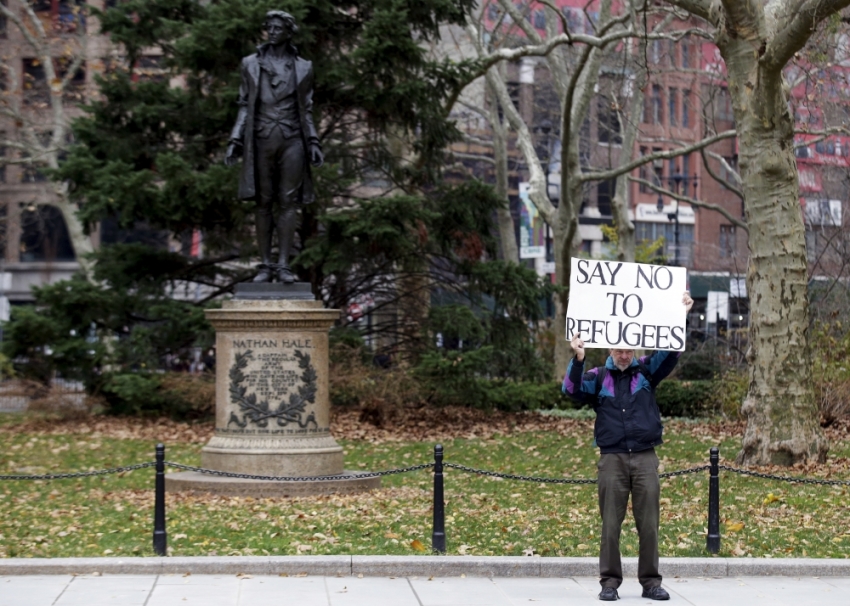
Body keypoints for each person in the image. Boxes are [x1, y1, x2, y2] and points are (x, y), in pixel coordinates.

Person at [563, 291, 694, 602]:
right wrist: (578, 359)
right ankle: (609, 583)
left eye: (629, 350)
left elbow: (671, 352)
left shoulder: (647, 370)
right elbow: (570, 390)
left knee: (649, 525)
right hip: (612, 460)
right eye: (619, 349)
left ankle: (651, 583)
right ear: (610, 347)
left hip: (645, 457)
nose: (624, 355)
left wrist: (681, 316)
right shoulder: (598, 377)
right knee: (610, 526)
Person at [225, 10, 324, 283]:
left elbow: (307, 108)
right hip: (260, 138)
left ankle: (283, 266)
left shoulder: (304, 67)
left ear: (289, 31)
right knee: (263, 202)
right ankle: (265, 265)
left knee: (288, 201)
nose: (273, 31)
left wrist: (313, 141)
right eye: (269, 27)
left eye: (279, 27)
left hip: (293, 138)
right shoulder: (250, 63)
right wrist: (235, 139)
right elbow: (245, 104)